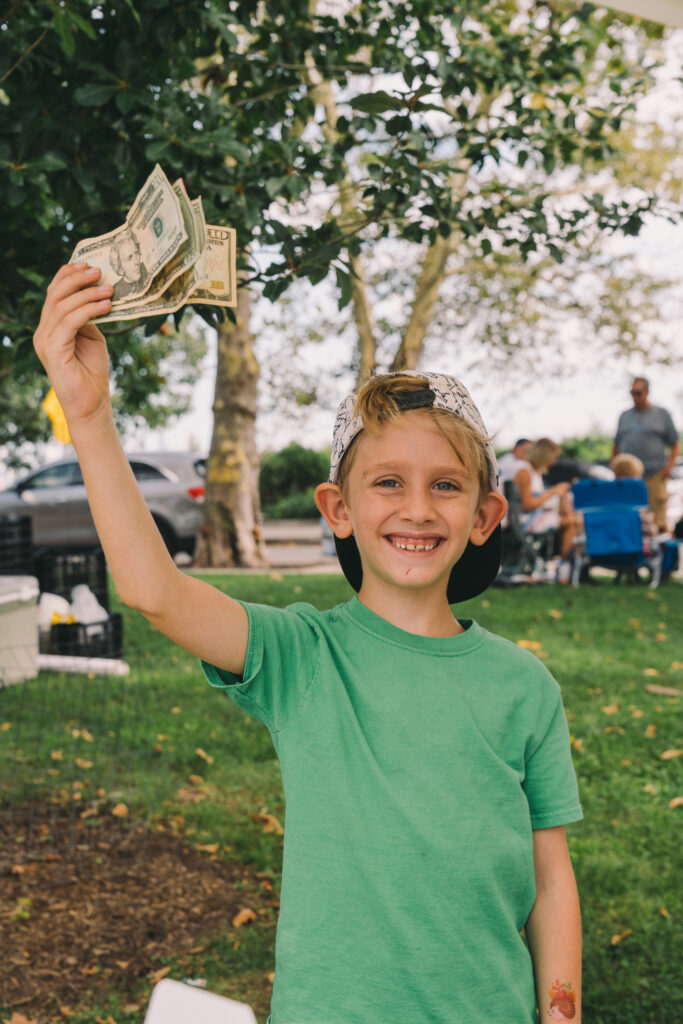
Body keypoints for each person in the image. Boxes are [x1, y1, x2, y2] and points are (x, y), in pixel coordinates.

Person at [34, 263, 583, 1024]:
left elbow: (550, 878)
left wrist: (560, 1012)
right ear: (338, 508)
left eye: (445, 486)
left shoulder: (524, 687)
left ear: (485, 516)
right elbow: (154, 592)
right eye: (387, 482)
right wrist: (89, 417)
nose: (417, 509)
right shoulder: (301, 656)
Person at [613, 377, 679, 533]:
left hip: (654, 474)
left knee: (659, 521)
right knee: (631, 519)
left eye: (638, 392)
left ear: (647, 392)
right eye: (632, 393)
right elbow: (616, 445)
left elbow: (674, 444)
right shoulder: (624, 416)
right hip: (629, 479)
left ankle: (667, 555)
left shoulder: (662, 414)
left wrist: (668, 467)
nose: (634, 396)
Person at [513, 438, 576, 568]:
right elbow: (527, 505)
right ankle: (566, 566)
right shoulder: (525, 471)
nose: (553, 462)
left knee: (572, 517)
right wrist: (553, 492)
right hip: (525, 521)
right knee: (572, 522)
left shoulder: (533, 472)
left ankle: (568, 564)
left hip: (533, 517)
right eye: (552, 458)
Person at [110, 229, 148, 301]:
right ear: (120, 269)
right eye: (129, 258)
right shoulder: (116, 292)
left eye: (136, 253)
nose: (136, 262)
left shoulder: (146, 269)